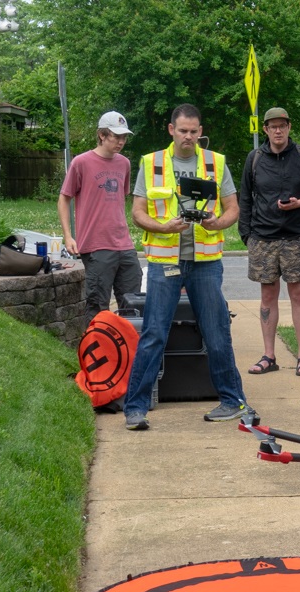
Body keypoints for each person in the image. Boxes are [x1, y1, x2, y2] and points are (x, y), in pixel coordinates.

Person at [123, 104, 253, 430]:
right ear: (171, 130)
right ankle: (135, 408)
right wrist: (163, 227)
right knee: (154, 332)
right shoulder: (151, 163)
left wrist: (215, 222)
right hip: (165, 262)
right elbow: (138, 212)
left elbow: (232, 208)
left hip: (205, 262)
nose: (189, 137)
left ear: (200, 130)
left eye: (194, 131)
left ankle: (233, 401)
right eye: (183, 131)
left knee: (217, 332)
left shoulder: (215, 162)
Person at [239, 107, 300, 377]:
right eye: (272, 126)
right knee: (267, 297)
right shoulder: (254, 158)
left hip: (294, 237)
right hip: (263, 238)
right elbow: (245, 198)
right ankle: (269, 355)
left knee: (298, 294)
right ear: (264, 129)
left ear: (289, 127)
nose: (278, 131)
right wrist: (247, 236)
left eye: (282, 126)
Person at [58, 111, 143, 326]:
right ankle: (95, 354)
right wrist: (68, 236)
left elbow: (117, 201)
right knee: (97, 305)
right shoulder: (81, 163)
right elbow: (64, 199)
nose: (121, 142)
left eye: (124, 137)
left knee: (134, 304)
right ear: (102, 135)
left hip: (124, 244)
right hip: (96, 246)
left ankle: (127, 353)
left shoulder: (124, 163)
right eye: (116, 136)